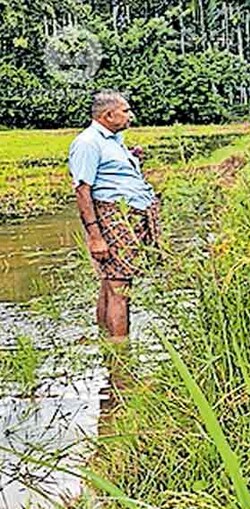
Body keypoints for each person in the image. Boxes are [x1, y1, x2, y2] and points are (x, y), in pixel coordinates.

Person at [68, 90, 161, 342]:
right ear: (108, 115)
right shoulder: (88, 143)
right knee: (121, 289)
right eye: (126, 111)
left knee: (111, 284)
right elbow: (82, 190)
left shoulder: (114, 140)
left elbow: (111, 173)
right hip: (114, 218)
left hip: (128, 217)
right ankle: (122, 360)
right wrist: (95, 237)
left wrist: (131, 159)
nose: (130, 115)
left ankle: (107, 348)